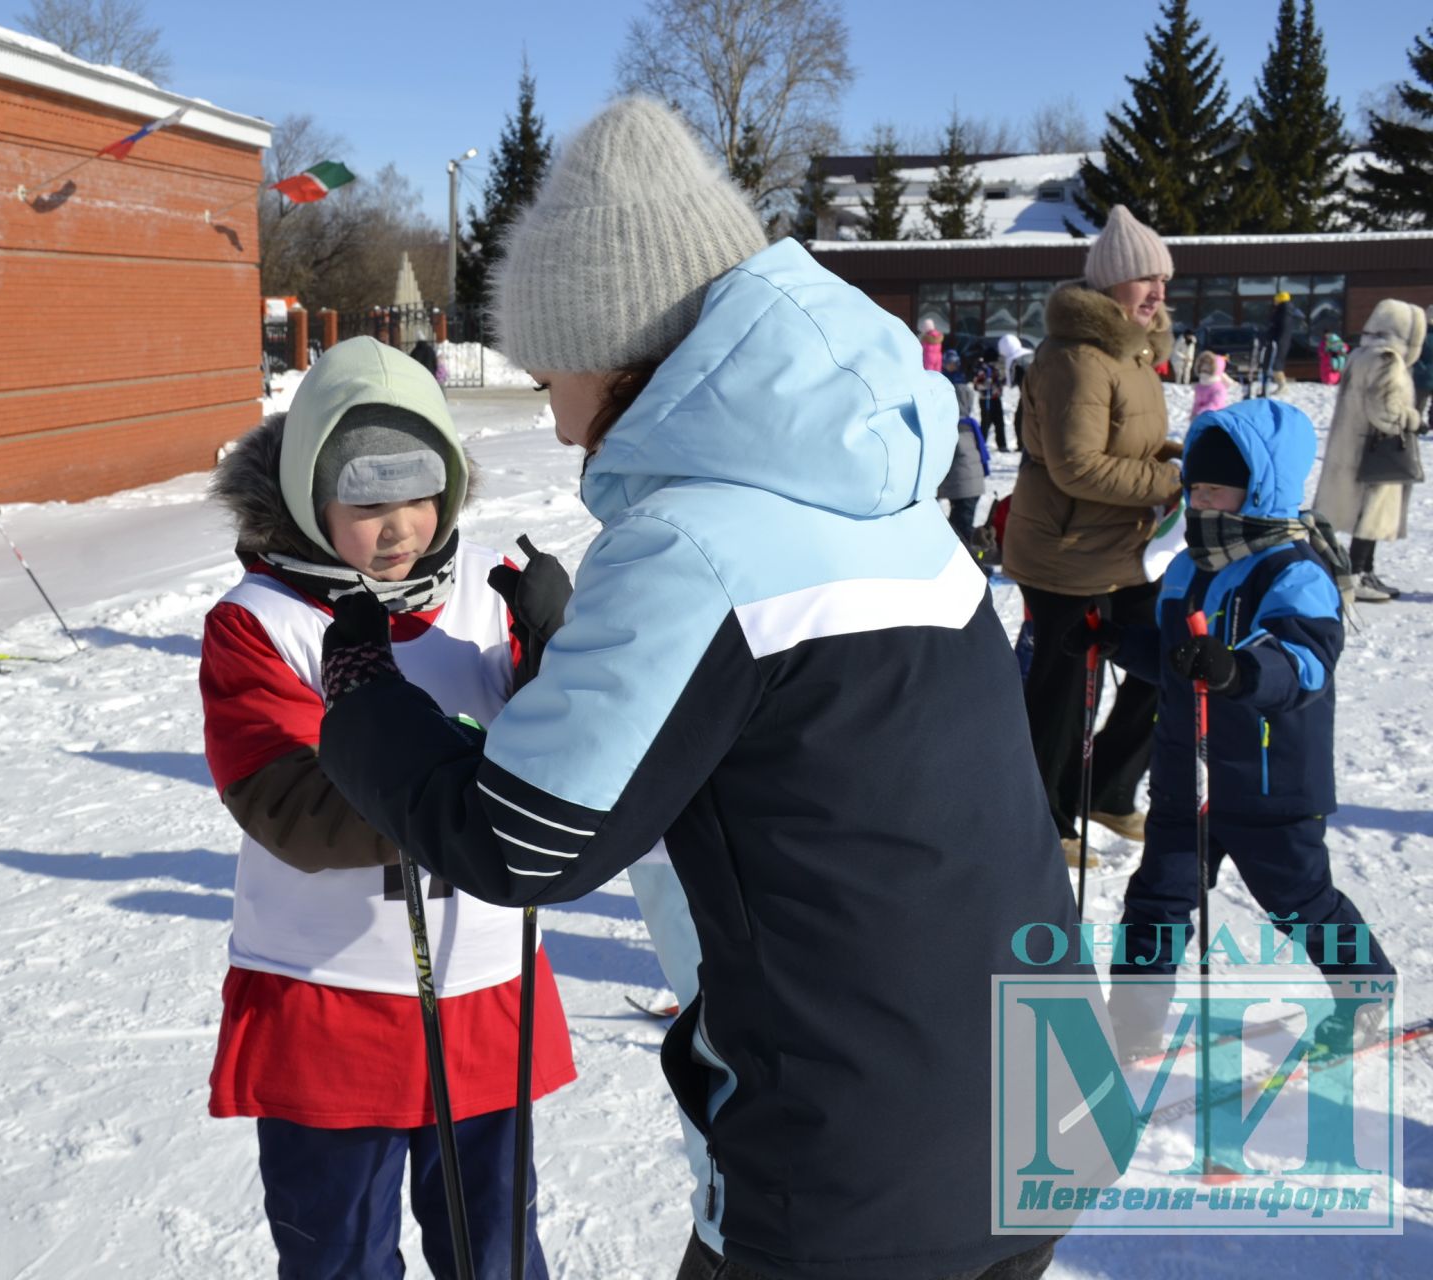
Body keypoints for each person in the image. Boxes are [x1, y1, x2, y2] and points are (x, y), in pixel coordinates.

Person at [314, 97, 1070, 1280]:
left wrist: (363, 698)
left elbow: (520, 841)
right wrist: (587, 660)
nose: (552, 414)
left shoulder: (692, 541)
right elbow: (812, 751)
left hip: (850, 1168)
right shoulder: (891, 500)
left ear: (611, 352)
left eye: (543, 367)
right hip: (1034, 1101)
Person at [197, 336, 574, 1279]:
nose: (401, 525)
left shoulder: (489, 594)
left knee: (496, 1252)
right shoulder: (264, 621)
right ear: (307, 497)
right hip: (334, 997)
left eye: (421, 494)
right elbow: (291, 805)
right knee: (341, 1259)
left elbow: (574, 764)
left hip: (485, 988)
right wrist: (468, 777)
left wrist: (555, 661)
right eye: (366, 502)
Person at [1073, 401, 1395, 1057]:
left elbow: (1304, 665)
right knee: (1156, 902)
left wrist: (1238, 670)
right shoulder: (1190, 566)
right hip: (1182, 779)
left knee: (1298, 899)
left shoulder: (1293, 572)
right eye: (1194, 486)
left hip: (1268, 782)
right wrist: (1113, 642)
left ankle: (1365, 986)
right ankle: (1131, 1022)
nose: (1200, 499)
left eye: (1215, 487)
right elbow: (1172, 660)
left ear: (1259, 489)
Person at [1004, 204, 1183, 861]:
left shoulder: (1135, 356)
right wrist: (1167, 485)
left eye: (1164, 279)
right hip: (1065, 551)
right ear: (1110, 286)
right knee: (1064, 691)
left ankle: (1106, 788)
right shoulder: (1077, 357)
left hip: (1124, 550)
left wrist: (1177, 458)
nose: (1158, 292)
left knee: (1163, 663)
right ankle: (1043, 820)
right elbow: (1076, 466)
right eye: (1145, 279)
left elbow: (1132, 443)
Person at [1313, 299, 1425, 604]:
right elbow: (1384, 411)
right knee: (1370, 513)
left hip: (1353, 448)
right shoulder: (1387, 360)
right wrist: (1413, 419)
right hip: (1374, 451)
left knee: (1364, 513)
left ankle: (1365, 570)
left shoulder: (1361, 354)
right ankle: (1358, 573)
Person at [940, 413, 990, 554]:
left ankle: (977, 564)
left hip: (965, 488)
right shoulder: (967, 424)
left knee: (960, 534)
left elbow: (944, 460)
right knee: (958, 530)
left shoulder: (954, 428)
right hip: (966, 486)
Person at [1261, 289, 1299, 396]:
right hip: (1281, 342)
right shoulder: (1287, 311)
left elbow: (1277, 328)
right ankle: (1281, 385)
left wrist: (1272, 337)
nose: (1274, 302)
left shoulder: (1283, 312)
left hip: (1279, 342)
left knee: (1276, 364)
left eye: (1276, 300)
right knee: (1276, 364)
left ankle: (1282, 386)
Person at [975, 347, 1011, 451]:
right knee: (986, 422)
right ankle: (981, 444)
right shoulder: (982, 370)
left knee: (999, 422)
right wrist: (986, 384)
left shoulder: (996, 369)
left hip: (996, 398)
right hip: (985, 399)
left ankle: (1002, 444)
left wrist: (1001, 382)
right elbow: (977, 385)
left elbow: (1000, 381)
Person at [1190, 350, 1231, 423]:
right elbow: (1197, 402)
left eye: (1209, 366)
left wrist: (1199, 413)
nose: (1204, 368)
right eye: (1202, 365)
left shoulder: (1219, 388)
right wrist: (1193, 414)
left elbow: (1215, 404)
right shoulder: (1200, 386)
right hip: (1199, 419)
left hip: (1214, 419)